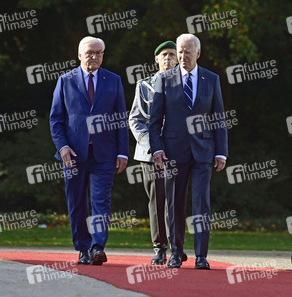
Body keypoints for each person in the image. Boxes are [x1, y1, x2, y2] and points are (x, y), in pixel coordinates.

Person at [148, 33, 228, 269]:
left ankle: (201, 256)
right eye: (179, 51)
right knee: (174, 203)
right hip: (173, 151)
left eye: (187, 52)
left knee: (201, 203)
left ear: (198, 53)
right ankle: (175, 253)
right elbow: (155, 121)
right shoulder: (164, 79)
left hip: (203, 151)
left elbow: (218, 118)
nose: (182, 56)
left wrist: (221, 151)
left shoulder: (211, 79)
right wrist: (157, 149)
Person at [50, 36, 129, 265]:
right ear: (79, 55)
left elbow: (120, 118)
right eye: (90, 52)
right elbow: (56, 119)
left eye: (99, 53)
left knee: (101, 201)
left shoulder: (113, 80)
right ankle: (83, 247)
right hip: (73, 154)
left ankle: (97, 247)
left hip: (104, 153)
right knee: (77, 202)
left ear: (103, 55)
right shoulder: (65, 81)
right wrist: (62, 147)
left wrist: (123, 151)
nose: (94, 56)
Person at [129, 40, 186, 265]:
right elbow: (135, 119)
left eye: (172, 55)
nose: (169, 59)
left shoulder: (186, 86)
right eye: (164, 55)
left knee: (177, 201)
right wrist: (153, 146)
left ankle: (177, 247)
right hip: (151, 154)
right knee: (158, 200)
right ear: (156, 59)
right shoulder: (144, 85)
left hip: (179, 152)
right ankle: (160, 247)